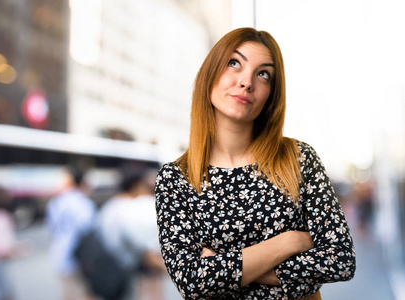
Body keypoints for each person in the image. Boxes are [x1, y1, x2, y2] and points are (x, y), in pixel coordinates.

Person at [154, 27, 356, 300]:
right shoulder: (175, 178)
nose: (246, 82)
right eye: (234, 63)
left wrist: (222, 266)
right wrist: (289, 242)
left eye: (263, 74)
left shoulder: (298, 158)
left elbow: (341, 259)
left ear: (271, 94)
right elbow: (191, 280)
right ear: (210, 73)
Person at [97, 167, 166, 300]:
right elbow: (146, 250)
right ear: (136, 185)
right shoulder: (130, 208)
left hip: (107, 265)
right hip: (123, 267)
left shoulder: (110, 206)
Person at [46, 167, 96, 300]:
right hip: (79, 259)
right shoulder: (83, 203)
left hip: (60, 255)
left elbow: (52, 228)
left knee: (69, 293)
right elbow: (88, 232)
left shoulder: (55, 202)